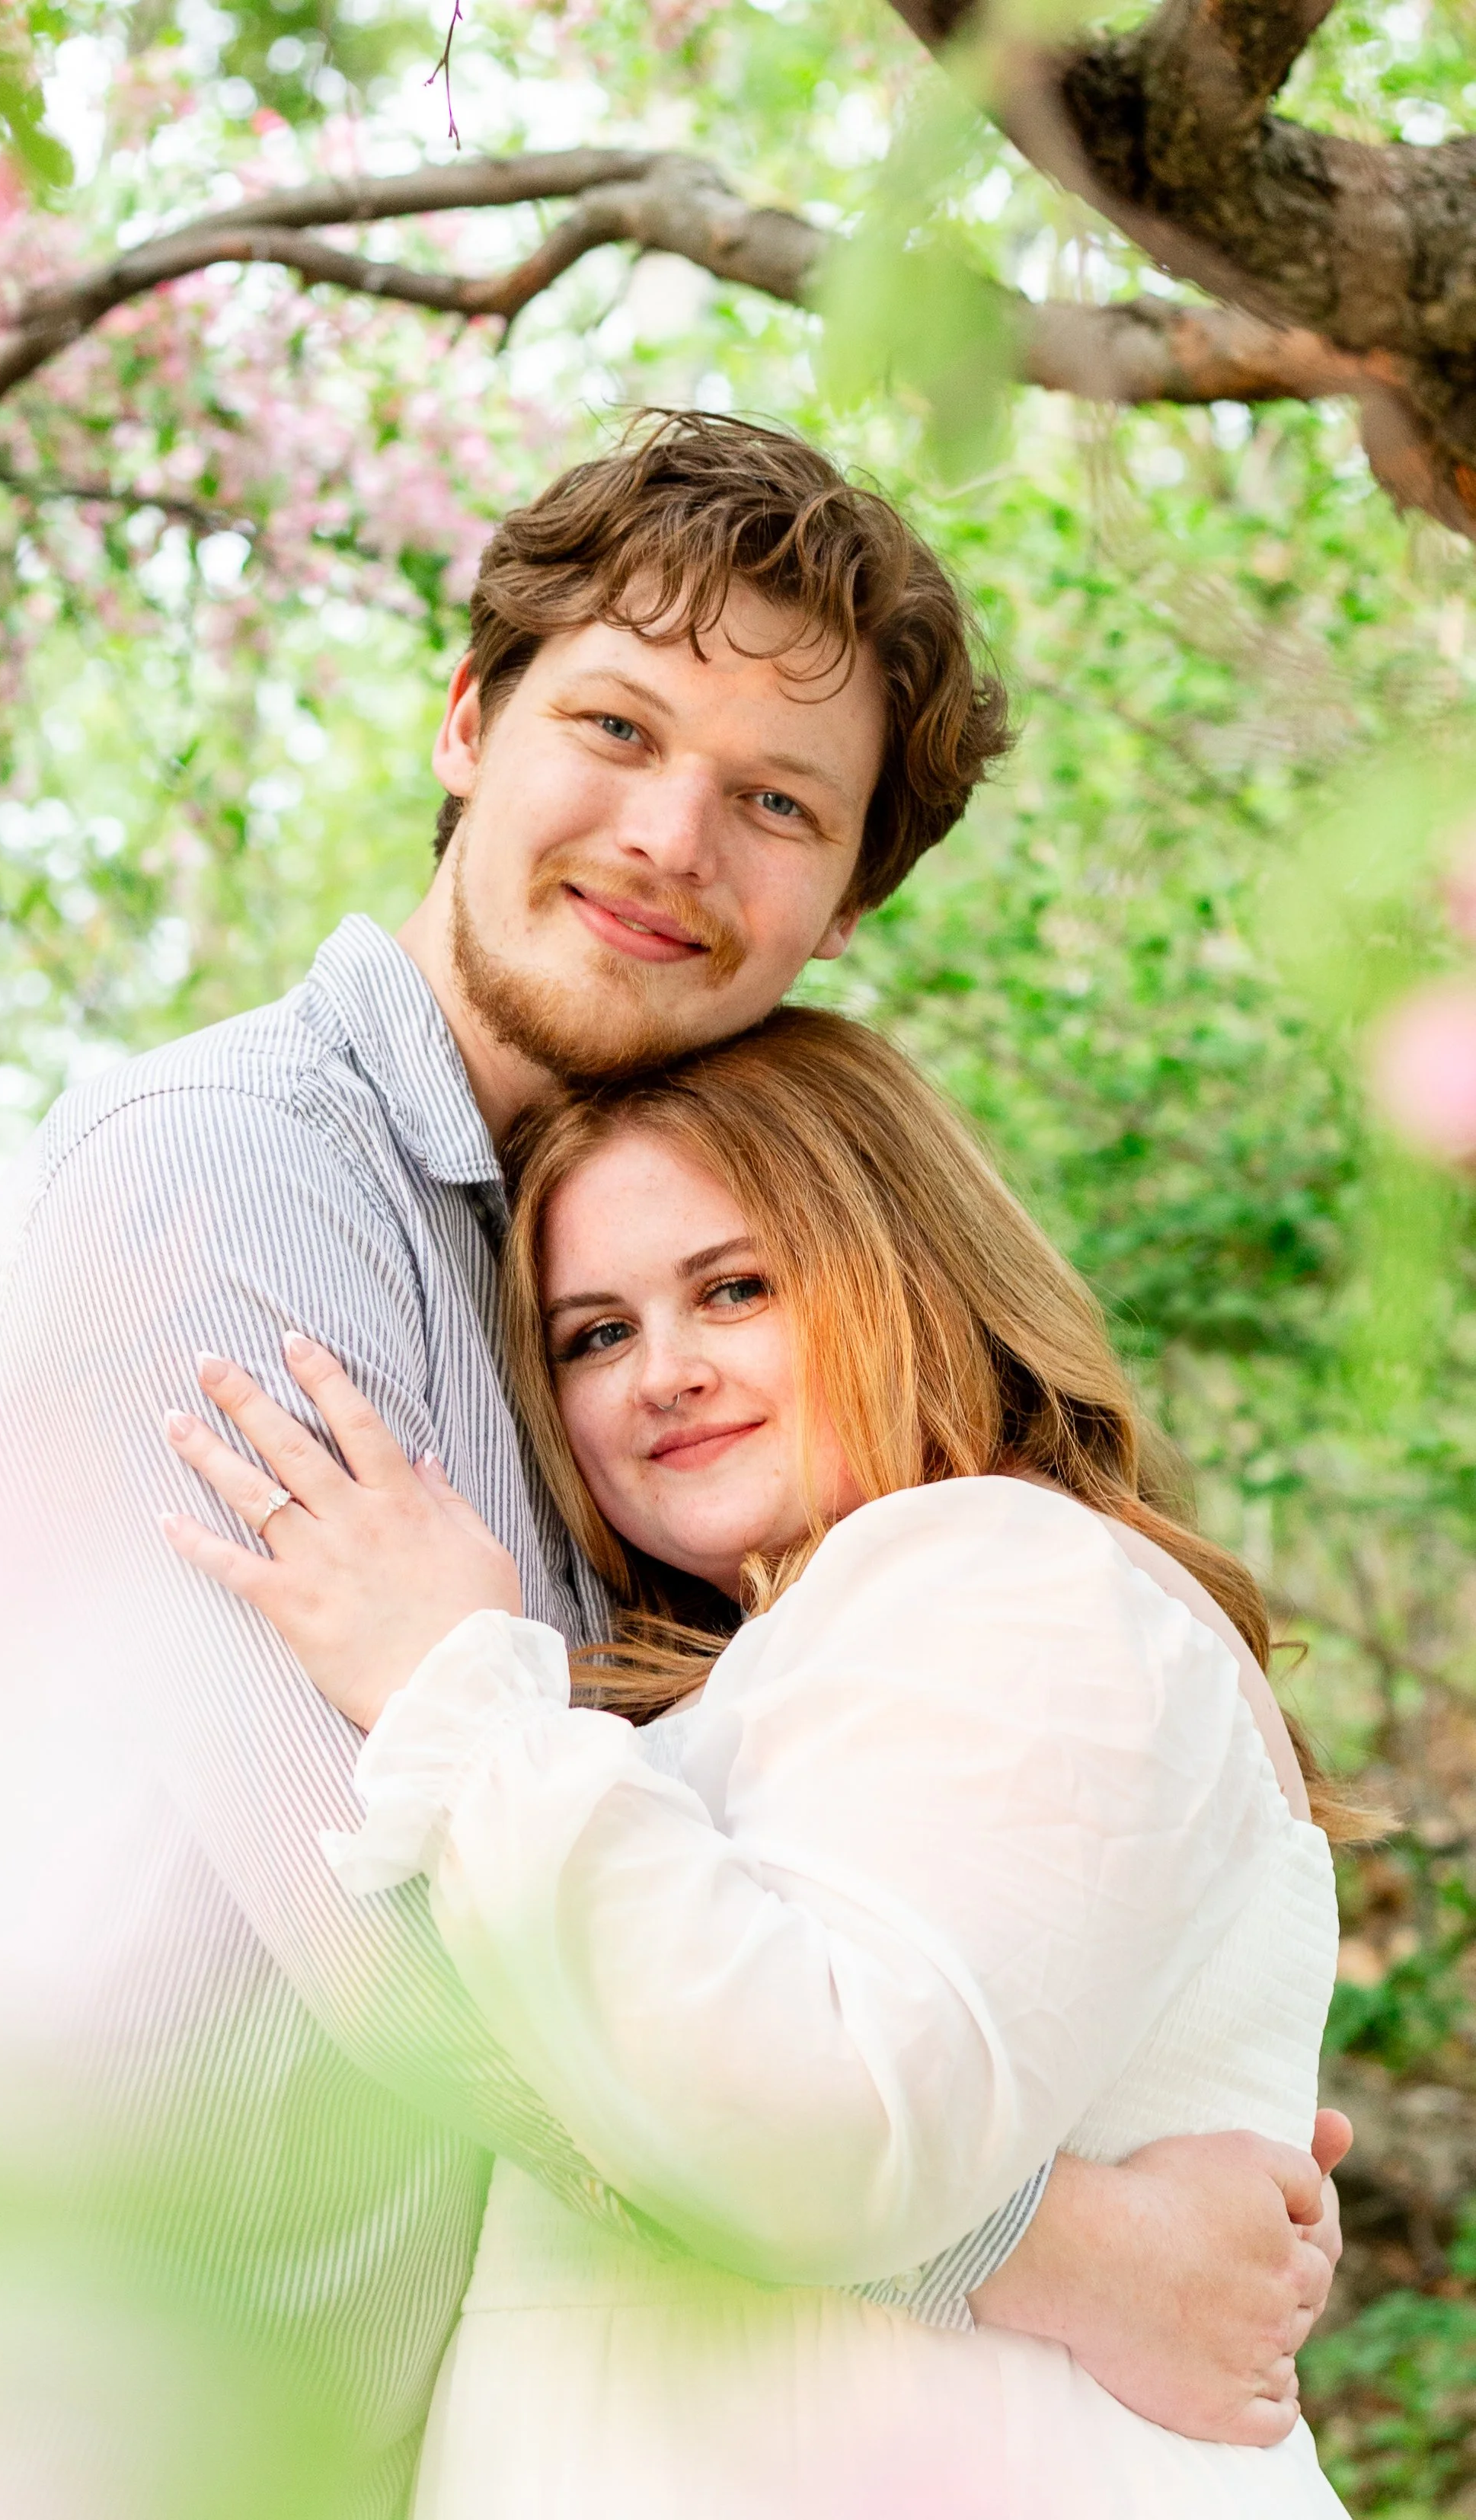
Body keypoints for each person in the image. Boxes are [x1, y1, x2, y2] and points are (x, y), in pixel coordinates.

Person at [0, 413, 1346, 2517]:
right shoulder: (229, 1181)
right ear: (468, 717)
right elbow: (389, 1936)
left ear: (839, 909)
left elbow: (690, 1887)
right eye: (615, 725)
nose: (672, 835)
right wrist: (1035, 2239)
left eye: (772, 802)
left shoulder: (591, 1320)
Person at [162, 1004, 1355, 2518]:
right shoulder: (809, 1657)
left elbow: (822, 2127)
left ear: (909, 1265)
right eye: (594, 1334)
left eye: (732, 1289)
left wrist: (456, 1694)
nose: (660, 1372)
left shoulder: (1012, 1572)